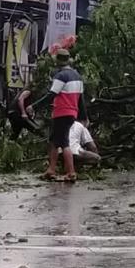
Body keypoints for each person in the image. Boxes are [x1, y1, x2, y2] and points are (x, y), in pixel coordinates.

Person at [27, 49, 87, 182]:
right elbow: (81, 99)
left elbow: (51, 94)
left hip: (62, 112)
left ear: (58, 60)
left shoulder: (61, 76)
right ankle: (51, 170)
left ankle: (71, 172)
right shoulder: (77, 76)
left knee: (64, 142)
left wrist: (33, 106)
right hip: (72, 112)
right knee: (54, 141)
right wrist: (84, 117)